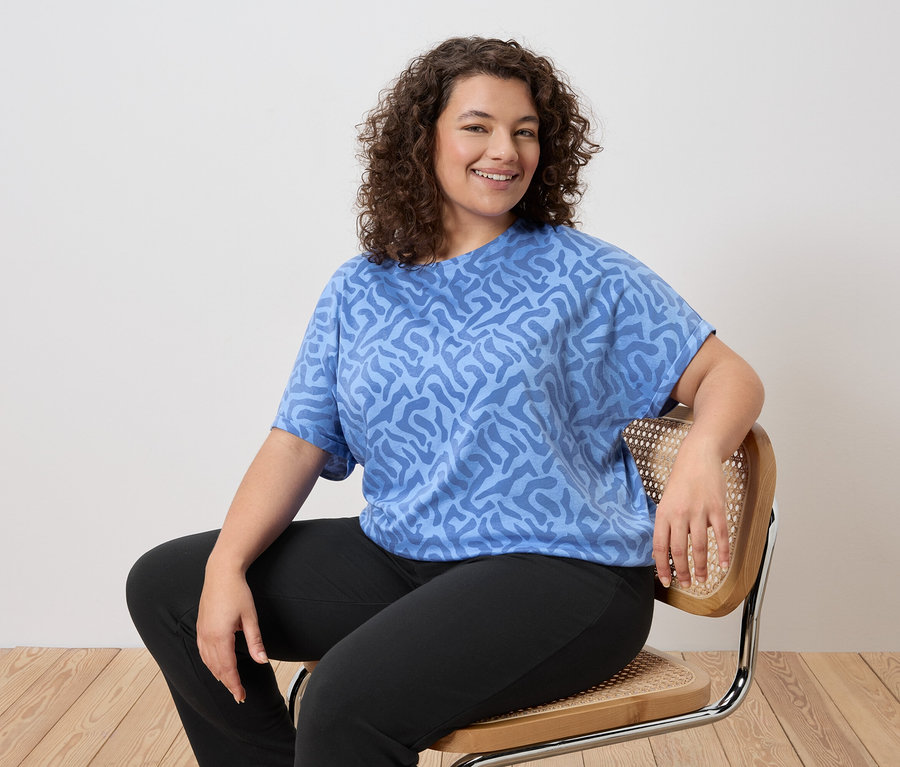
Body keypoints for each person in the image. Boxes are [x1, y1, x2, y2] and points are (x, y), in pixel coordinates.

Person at [127, 36, 764, 767]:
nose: (506, 149)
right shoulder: (359, 288)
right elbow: (295, 441)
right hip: (406, 557)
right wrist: (226, 565)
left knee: (343, 699)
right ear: (420, 138)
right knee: (169, 586)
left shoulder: (584, 273)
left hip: (564, 571)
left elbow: (730, 375)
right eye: (478, 125)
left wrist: (702, 453)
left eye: (525, 131)